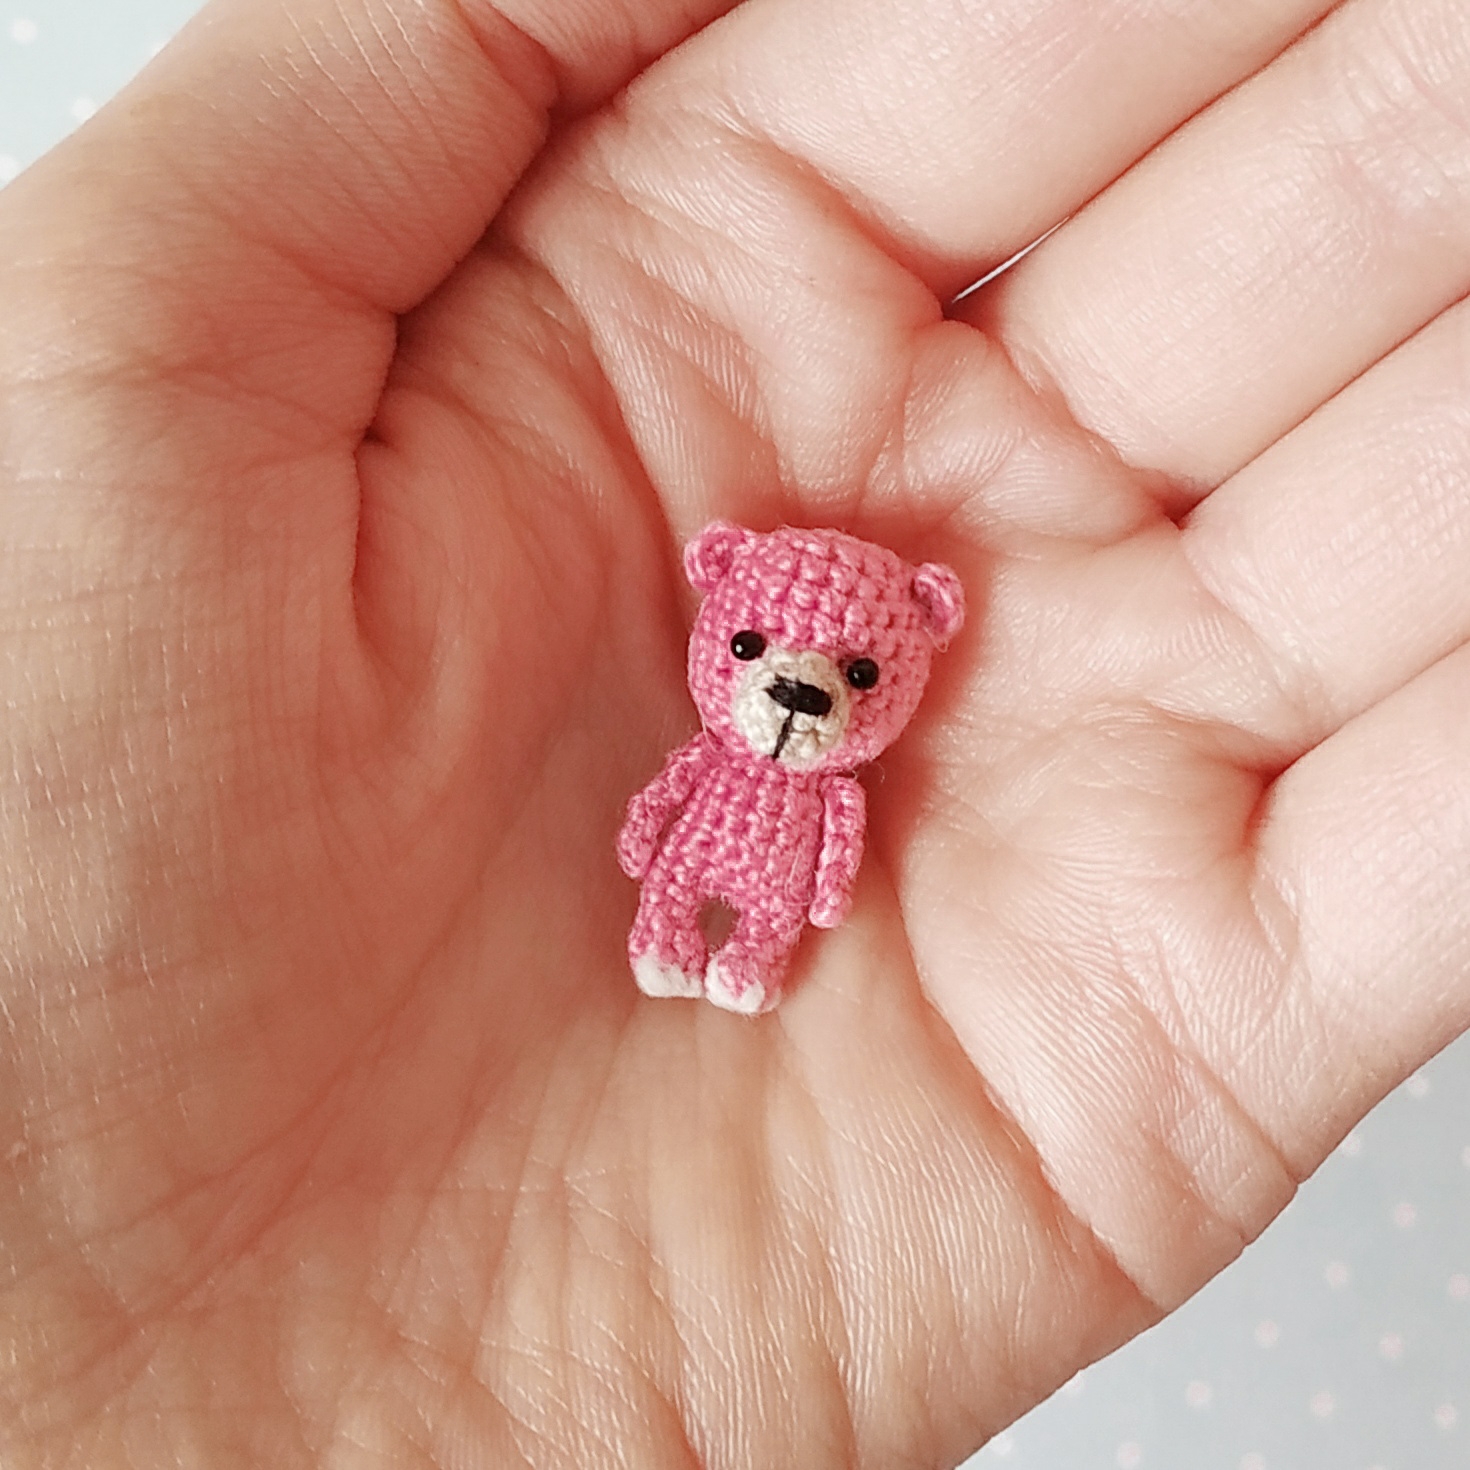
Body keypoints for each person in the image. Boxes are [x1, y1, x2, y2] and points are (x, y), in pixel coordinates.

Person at [1, 0, 1466, 1462]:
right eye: (764, 648)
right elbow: (668, 805)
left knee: (753, 924)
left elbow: (835, 839)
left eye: (848, 672)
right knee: (683, 897)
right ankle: (680, 939)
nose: (799, 687)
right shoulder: (712, 749)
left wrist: (816, 897)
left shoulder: (836, 786)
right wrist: (654, 830)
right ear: (721, 610)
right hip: (695, 869)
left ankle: (738, 956)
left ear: (909, 654)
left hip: (760, 908)